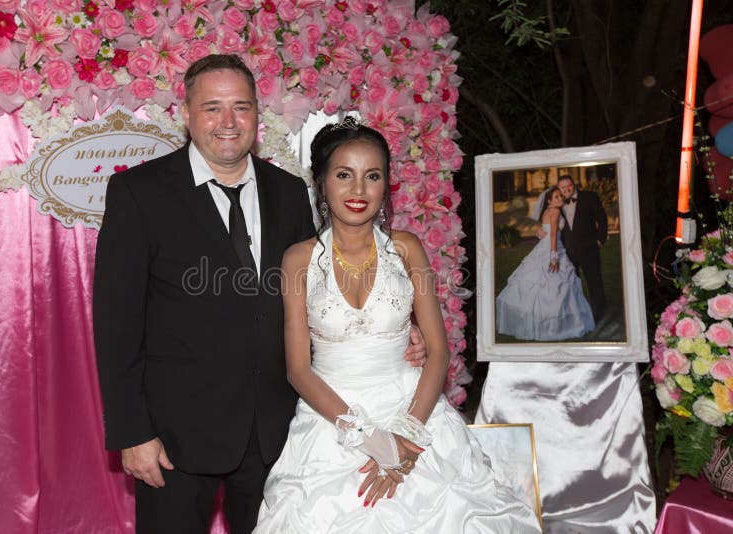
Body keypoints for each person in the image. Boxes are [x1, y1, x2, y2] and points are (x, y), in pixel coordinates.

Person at [92, 54, 425, 534]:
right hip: (175, 437)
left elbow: (321, 292)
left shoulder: (289, 192)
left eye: (241, 107)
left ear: (257, 116)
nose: (228, 122)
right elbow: (116, 322)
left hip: (279, 433)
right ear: (186, 114)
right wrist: (132, 432)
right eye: (212, 108)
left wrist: (397, 330)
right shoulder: (139, 193)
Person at [254, 120, 541, 532]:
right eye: (343, 175)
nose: (358, 190)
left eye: (372, 176)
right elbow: (298, 369)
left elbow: (438, 352)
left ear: (386, 185)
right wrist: (372, 442)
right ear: (321, 183)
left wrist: (405, 440)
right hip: (331, 420)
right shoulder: (298, 259)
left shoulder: (406, 248)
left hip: (414, 410)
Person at [495, 186, 595, 341]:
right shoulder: (555, 212)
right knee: (558, 285)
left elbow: (543, 232)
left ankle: (539, 319)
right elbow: (553, 235)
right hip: (552, 249)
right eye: (556, 197)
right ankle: (558, 324)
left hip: (543, 246)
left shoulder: (546, 212)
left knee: (547, 285)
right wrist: (554, 257)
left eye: (561, 196)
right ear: (549, 200)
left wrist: (539, 233)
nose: (560, 199)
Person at [557, 175, 608, 321]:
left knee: (594, 281)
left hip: (589, 248)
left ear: (574, 184)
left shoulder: (589, 197)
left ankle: (598, 313)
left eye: (569, 185)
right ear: (559, 188)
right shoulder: (558, 203)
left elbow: (602, 218)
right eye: (563, 187)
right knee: (572, 283)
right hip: (568, 251)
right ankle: (577, 313)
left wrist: (600, 239)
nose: (566, 189)